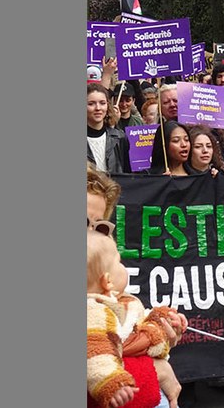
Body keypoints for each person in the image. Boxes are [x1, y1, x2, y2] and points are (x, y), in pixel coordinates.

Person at [86, 163, 187, 408]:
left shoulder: (109, 297)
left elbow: (125, 338)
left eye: (99, 227)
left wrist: (162, 333)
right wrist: (155, 371)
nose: (91, 237)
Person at [87, 83, 131, 174]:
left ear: (107, 105)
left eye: (102, 103)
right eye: (91, 104)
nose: (98, 108)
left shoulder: (120, 137)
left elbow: (129, 174)